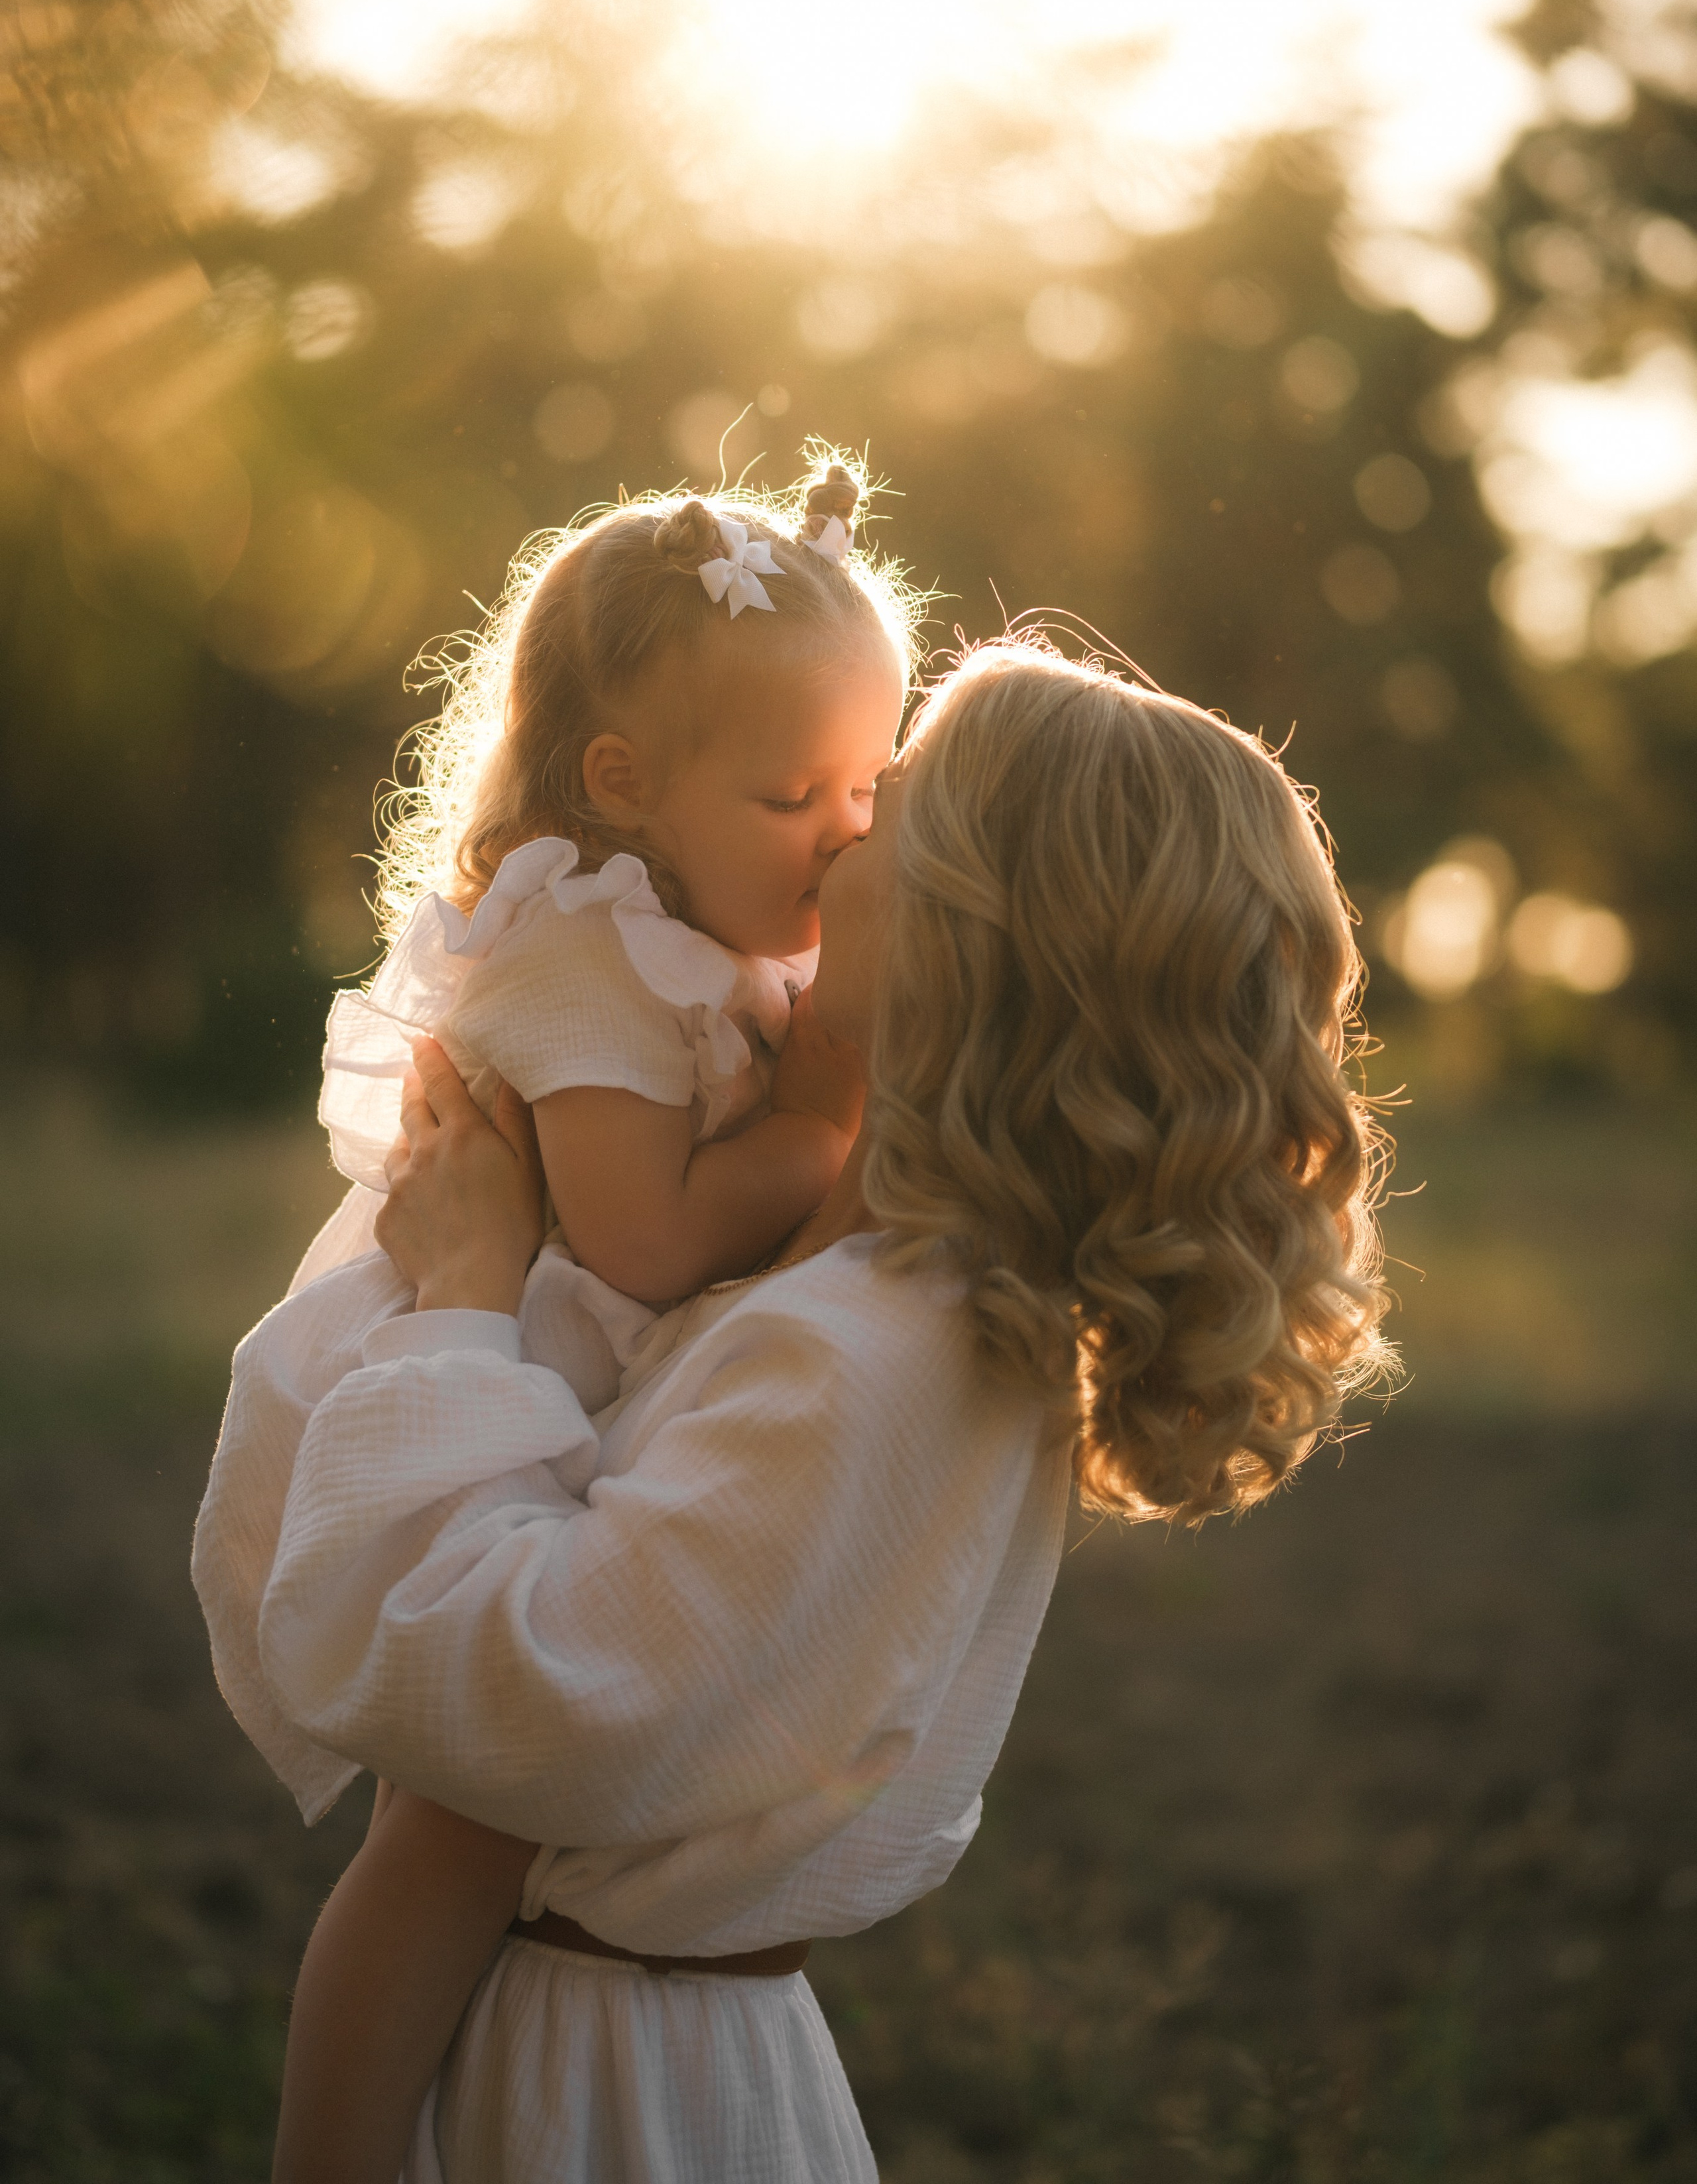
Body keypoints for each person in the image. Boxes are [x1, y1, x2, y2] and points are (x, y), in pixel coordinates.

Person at [198, 637, 1394, 2184]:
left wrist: (468, 1294)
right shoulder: (870, 1289)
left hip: (602, 2094)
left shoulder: (873, 1351)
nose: (841, 828)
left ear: (976, 924)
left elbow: (521, 1699)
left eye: (894, 795)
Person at [192, 452, 915, 2178]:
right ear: (624, 786)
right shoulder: (582, 955)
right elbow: (644, 1241)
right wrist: (819, 1121)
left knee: (499, 1825)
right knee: (447, 1838)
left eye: (869, 787)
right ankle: (332, 2152)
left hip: (562, 1382)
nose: (841, 834)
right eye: (792, 794)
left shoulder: (718, 922)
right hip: (483, 1377)